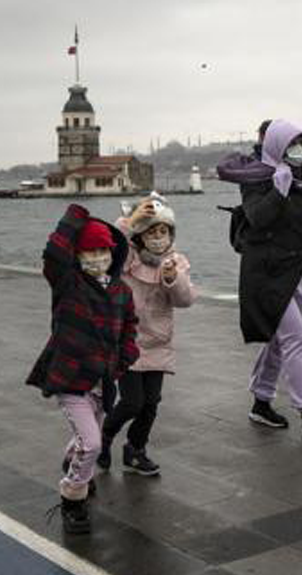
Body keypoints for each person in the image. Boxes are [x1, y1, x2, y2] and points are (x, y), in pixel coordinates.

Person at [222, 119, 302, 438]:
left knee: (278, 341)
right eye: (292, 145)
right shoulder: (256, 178)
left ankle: (261, 402)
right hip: (268, 275)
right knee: (295, 339)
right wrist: (278, 190)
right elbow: (258, 218)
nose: (298, 152)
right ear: (276, 145)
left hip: (301, 273)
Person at [26, 204, 139, 534]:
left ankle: (76, 466)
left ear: (112, 252)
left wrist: (124, 358)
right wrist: (75, 216)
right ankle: (72, 498)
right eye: (89, 251)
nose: (97, 257)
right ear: (78, 255)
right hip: (71, 379)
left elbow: (130, 328)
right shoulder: (68, 285)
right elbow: (54, 253)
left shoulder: (121, 292)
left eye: (102, 250)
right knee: (92, 443)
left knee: (83, 441)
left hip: (104, 380)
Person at [98, 194, 196, 475]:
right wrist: (132, 221)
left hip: (157, 341)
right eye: (151, 231)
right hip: (127, 340)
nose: (158, 237)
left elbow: (186, 300)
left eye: (163, 231)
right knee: (131, 402)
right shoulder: (127, 257)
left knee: (151, 403)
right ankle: (104, 436)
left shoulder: (176, 261)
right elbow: (113, 241)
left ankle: (136, 449)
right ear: (141, 234)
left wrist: (171, 278)